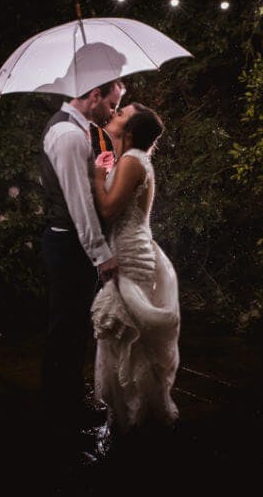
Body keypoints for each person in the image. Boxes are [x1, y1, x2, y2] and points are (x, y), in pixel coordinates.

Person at [39, 78, 125, 437]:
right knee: (69, 329)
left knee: (70, 327)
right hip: (70, 242)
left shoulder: (75, 128)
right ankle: (62, 411)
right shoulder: (70, 136)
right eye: (112, 102)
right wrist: (101, 254)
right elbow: (79, 204)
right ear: (94, 96)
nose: (113, 111)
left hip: (68, 241)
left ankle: (63, 402)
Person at [90, 103, 181, 436]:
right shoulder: (134, 160)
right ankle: (135, 415)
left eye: (120, 114)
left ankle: (137, 418)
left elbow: (110, 208)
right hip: (131, 247)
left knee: (128, 334)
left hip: (130, 252)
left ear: (129, 132)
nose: (113, 114)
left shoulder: (131, 161)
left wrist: (98, 176)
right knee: (128, 334)